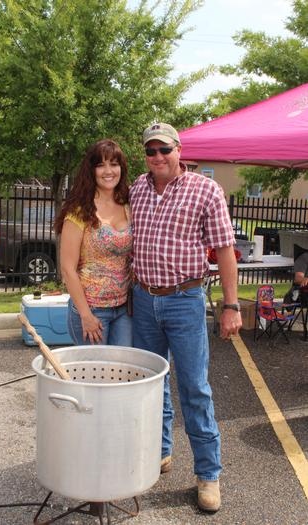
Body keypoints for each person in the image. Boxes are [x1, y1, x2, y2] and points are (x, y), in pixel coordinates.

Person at [130, 123, 242, 513]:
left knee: (194, 387)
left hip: (185, 299)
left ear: (179, 150)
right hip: (143, 299)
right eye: (150, 150)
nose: (157, 157)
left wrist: (232, 306)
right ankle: (160, 452)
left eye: (164, 149)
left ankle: (208, 474)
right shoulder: (137, 189)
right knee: (151, 384)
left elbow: (225, 249)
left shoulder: (206, 189)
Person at [54, 139, 133, 346]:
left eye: (114, 164)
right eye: (101, 165)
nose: (108, 171)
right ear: (91, 170)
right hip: (91, 310)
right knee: (94, 376)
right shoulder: (79, 211)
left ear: (121, 168)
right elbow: (67, 269)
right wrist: (86, 315)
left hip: (124, 309)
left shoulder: (128, 205)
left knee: (121, 373)